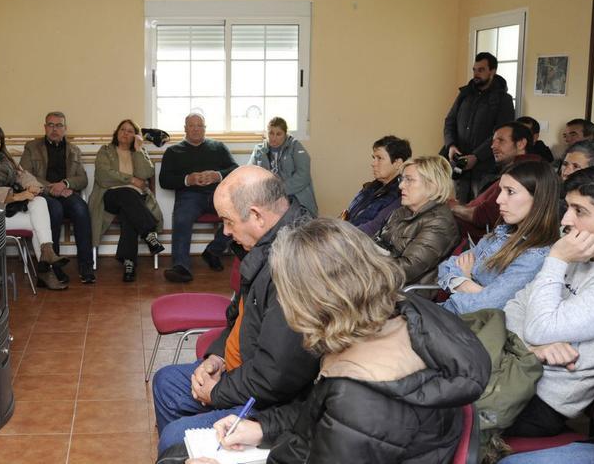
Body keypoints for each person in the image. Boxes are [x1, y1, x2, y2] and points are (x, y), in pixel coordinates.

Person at [195, 219, 490, 464]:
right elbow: (323, 413)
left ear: (312, 301)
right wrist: (262, 428)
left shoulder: (360, 396)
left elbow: (344, 419)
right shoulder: (408, 314)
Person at [153, 166, 319, 454]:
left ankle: (190, 449)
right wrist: (216, 356)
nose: (226, 232)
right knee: (166, 383)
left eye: (228, 221)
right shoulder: (264, 245)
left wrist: (216, 392)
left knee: (174, 437)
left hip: (266, 395)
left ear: (256, 215)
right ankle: (196, 450)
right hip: (238, 370)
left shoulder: (296, 263)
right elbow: (238, 316)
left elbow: (277, 375)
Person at [503, 167, 594, 438]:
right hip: (511, 369)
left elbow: (538, 327)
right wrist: (536, 348)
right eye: (567, 207)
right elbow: (512, 307)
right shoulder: (578, 256)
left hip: (540, 402)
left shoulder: (565, 255)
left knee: (437, 411)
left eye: (579, 211)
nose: (566, 219)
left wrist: (556, 258)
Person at [438, 161, 559, 314]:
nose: (498, 199)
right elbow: (446, 267)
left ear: (539, 198)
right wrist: (472, 286)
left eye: (510, 191)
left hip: (465, 327)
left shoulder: (536, 255)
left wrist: (464, 280)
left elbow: (485, 306)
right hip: (447, 315)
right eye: (501, 190)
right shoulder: (501, 232)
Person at [0, 122, 69, 290]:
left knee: (39, 201)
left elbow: (23, 175)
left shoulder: (4, 160)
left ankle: (47, 254)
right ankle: (47, 268)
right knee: (37, 224)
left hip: (10, 211)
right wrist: (17, 195)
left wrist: (32, 186)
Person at [159, 113, 238, 282]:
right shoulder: (173, 151)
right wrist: (188, 179)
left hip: (217, 195)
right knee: (182, 218)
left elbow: (235, 169)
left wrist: (217, 175)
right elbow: (164, 181)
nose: (196, 129)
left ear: (205, 128)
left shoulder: (218, 147)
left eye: (199, 125)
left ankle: (213, 251)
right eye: (192, 125)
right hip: (190, 196)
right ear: (185, 128)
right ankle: (181, 267)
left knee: (238, 212)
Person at [19, 111, 96, 284]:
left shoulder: (74, 150)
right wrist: (50, 188)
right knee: (54, 210)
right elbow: (24, 174)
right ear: (45, 127)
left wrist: (65, 184)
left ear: (65, 128)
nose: (55, 129)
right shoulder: (32, 147)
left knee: (81, 210)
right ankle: (54, 267)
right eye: (51, 125)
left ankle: (86, 266)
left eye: (59, 125)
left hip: (66, 192)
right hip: (42, 194)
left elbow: (82, 179)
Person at [88, 119, 164, 282]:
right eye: (122, 129)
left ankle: (129, 262)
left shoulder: (139, 151)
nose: (125, 133)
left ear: (136, 136)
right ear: (117, 132)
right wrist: (130, 180)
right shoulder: (106, 150)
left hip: (135, 201)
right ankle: (149, 233)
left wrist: (138, 149)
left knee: (128, 214)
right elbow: (103, 176)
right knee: (127, 195)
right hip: (110, 196)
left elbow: (145, 174)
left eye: (130, 131)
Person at [374, 156, 459, 287]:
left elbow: (405, 270)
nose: (401, 185)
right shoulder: (401, 211)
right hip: (379, 277)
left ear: (433, 185)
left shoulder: (440, 223)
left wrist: (362, 266)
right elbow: (373, 242)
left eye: (409, 180)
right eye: (401, 179)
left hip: (401, 293)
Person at [451, 121, 543, 242]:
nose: (493, 146)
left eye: (501, 140)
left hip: (473, 240)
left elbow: (483, 217)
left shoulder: (525, 173)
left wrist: (452, 207)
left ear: (521, 144)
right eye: (493, 141)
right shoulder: (516, 168)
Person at [444, 51, 516, 203]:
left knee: (479, 207)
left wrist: (477, 156)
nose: (476, 74)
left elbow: (501, 133)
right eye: (474, 70)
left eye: (481, 70)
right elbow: (449, 121)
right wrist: (450, 145)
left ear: (492, 71)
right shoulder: (465, 94)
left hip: (485, 166)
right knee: (457, 205)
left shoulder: (503, 100)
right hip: (459, 162)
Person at [343, 135, 412, 236]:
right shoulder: (370, 187)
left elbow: (372, 230)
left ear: (397, 163)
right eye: (373, 158)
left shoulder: (401, 196)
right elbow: (347, 215)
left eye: (379, 158)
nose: (373, 163)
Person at [248, 116, 317, 216]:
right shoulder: (259, 150)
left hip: (294, 197)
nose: (274, 138)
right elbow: (249, 174)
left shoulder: (295, 146)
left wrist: (280, 190)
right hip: (267, 198)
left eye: (278, 134)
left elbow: (304, 175)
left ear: (285, 134)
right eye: (271, 133)